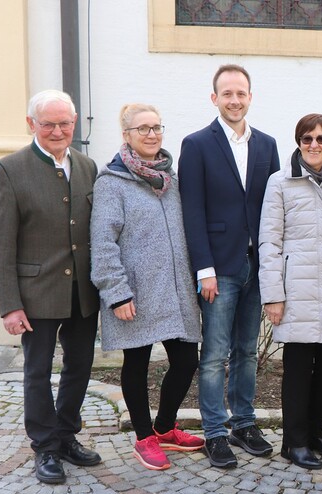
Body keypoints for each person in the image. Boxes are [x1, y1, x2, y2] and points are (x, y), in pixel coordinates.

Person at [0, 89, 102, 484]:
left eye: (65, 122)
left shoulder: (87, 166)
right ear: (31, 124)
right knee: (37, 371)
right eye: (48, 123)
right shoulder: (9, 169)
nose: (58, 130)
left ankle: (67, 434)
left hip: (83, 293)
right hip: (36, 293)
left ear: (74, 122)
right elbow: (0, 244)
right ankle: (45, 447)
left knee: (80, 366)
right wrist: (9, 305)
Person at [90, 104, 204, 471]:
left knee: (187, 360)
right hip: (134, 292)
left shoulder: (170, 180)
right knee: (136, 362)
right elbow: (103, 242)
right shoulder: (111, 182)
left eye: (157, 127)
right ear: (126, 135)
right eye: (143, 129)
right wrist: (116, 292)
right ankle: (143, 437)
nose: (152, 135)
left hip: (174, 289)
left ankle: (165, 427)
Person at [179, 64, 280, 468]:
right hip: (218, 268)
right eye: (227, 94)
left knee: (246, 351)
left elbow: (275, 208)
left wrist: (275, 266)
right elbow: (193, 209)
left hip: (257, 264)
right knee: (215, 352)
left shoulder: (267, 144)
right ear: (214, 98)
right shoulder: (198, 143)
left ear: (250, 97)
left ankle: (244, 422)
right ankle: (216, 432)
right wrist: (203, 267)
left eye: (241, 93)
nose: (234, 100)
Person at [259, 114, 322, 470]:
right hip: (297, 290)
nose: (314, 145)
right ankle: (294, 442)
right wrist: (273, 294)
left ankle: (318, 433)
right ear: (298, 142)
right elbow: (269, 241)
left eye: (321, 139)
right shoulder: (280, 182)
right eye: (307, 139)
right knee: (299, 370)